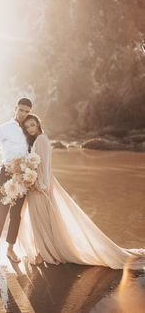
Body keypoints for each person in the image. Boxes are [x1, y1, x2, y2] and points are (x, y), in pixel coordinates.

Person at [18, 114, 145, 269]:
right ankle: (44, 251)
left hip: (40, 187)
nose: (30, 128)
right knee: (40, 221)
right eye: (27, 127)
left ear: (38, 123)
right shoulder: (38, 140)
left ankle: (47, 253)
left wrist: (39, 184)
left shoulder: (41, 140)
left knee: (44, 221)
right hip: (36, 185)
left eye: (32, 124)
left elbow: (45, 166)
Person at [0, 98, 32, 270]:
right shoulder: (4, 128)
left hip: (23, 176)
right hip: (6, 175)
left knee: (16, 215)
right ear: (15, 109)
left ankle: (10, 249)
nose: (23, 114)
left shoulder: (29, 129)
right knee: (0, 216)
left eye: (27, 111)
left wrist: (30, 173)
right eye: (21, 110)